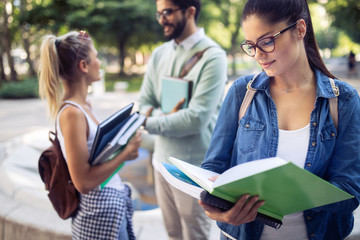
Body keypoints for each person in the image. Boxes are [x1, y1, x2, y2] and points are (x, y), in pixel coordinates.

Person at [199, 0, 360, 239]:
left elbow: (350, 192)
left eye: (266, 41)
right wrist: (220, 213)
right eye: (251, 45)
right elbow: (212, 169)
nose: (258, 55)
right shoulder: (242, 92)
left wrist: (289, 191)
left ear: (300, 29)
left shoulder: (343, 100)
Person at [38, 31, 141, 239]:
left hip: (109, 213)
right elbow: (83, 182)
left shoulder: (83, 106)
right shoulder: (72, 113)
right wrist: (126, 153)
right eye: (96, 57)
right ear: (84, 66)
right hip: (98, 220)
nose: (100, 63)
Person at [138, 0, 228, 239]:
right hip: (160, 161)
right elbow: (143, 103)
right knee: (172, 233)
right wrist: (162, 117)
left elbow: (195, 120)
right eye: (158, 14)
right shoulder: (159, 54)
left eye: (167, 12)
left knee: (195, 235)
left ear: (190, 11)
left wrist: (148, 121)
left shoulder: (214, 57)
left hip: (194, 168)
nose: (161, 20)